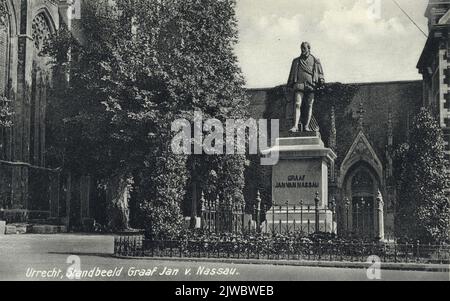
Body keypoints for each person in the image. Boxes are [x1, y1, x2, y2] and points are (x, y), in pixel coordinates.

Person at [287, 42, 325, 132]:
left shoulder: (316, 60)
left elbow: (320, 73)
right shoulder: (296, 61)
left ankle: (307, 126)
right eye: (301, 48)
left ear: (309, 48)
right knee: (297, 104)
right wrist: (290, 83)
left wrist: (321, 80)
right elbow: (291, 74)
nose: (302, 50)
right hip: (299, 84)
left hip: (311, 85)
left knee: (309, 105)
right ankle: (295, 126)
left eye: (304, 48)